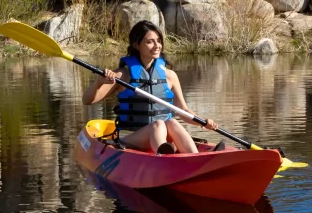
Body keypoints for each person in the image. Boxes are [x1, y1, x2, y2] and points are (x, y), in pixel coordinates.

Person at [83, 20, 218, 154]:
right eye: (150, 42)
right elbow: (87, 100)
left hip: (161, 136)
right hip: (129, 139)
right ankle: (164, 158)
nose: (157, 45)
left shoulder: (170, 76)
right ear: (136, 45)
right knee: (158, 125)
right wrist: (98, 83)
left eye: (158, 40)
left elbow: (183, 110)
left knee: (172, 123)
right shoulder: (123, 75)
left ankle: (195, 158)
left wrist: (202, 122)